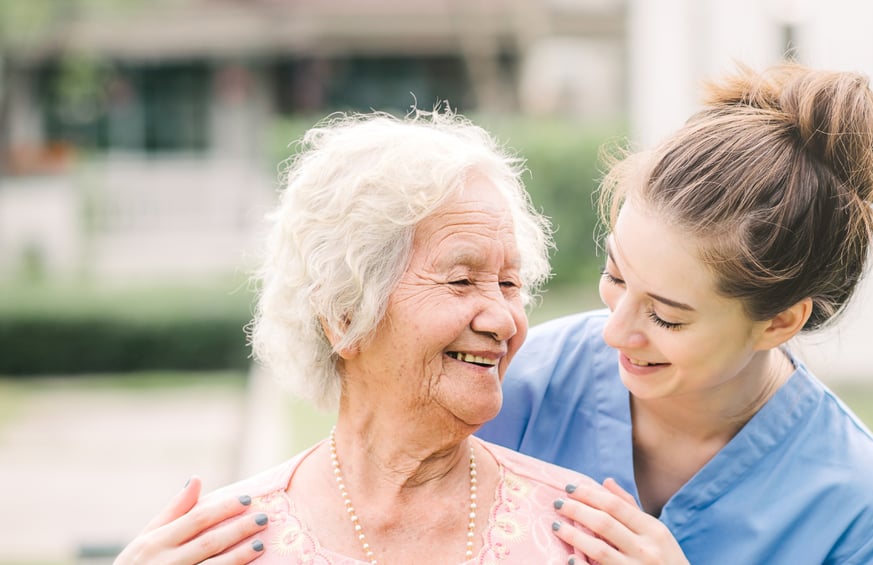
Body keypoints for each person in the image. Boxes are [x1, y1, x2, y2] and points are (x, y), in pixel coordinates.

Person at [479, 63, 873, 564]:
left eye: (666, 317)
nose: (616, 332)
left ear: (779, 322)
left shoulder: (861, 513)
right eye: (616, 276)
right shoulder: (511, 389)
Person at [115, 110, 600, 564]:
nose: (505, 320)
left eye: (510, 284)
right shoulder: (232, 546)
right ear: (344, 315)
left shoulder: (578, 536)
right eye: (460, 280)